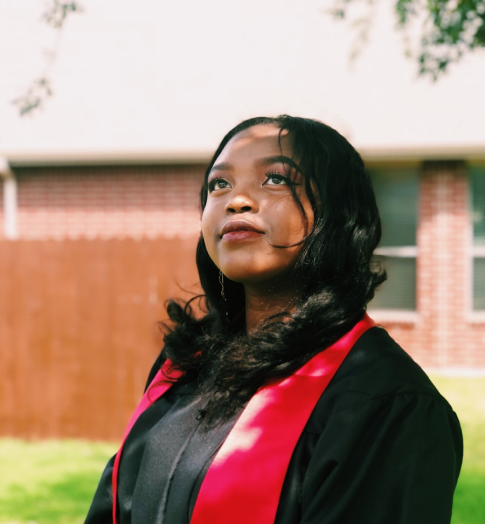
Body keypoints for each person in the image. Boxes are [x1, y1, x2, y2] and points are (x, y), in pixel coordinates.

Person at [85, 115, 463, 524]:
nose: (236, 200)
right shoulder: (185, 365)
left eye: (276, 179)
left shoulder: (383, 403)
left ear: (338, 212)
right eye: (219, 184)